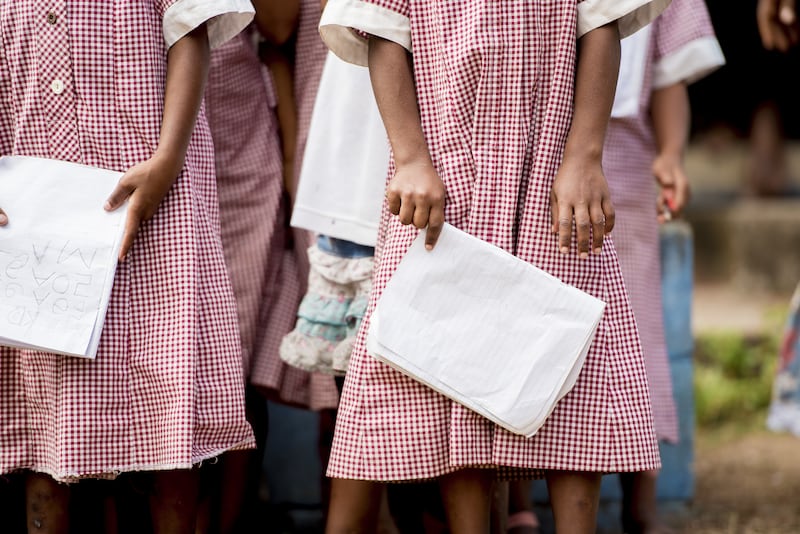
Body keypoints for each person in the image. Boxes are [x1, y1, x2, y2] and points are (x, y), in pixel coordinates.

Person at [317, 0, 670, 532]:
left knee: (577, 357)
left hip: (554, 171)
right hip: (446, 169)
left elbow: (601, 21)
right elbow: (383, 32)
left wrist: (584, 157)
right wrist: (411, 158)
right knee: (454, 363)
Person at [0, 2, 256, 533]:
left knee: (168, 414)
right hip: (30, 207)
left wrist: (169, 157)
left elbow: (191, 26)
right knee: (48, 424)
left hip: (155, 194)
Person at [602, 0, 725, 531]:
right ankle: (517, 505)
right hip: (525, 156)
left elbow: (669, 71)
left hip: (625, 162)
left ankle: (640, 500)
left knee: (636, 331)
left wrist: (671, 154)